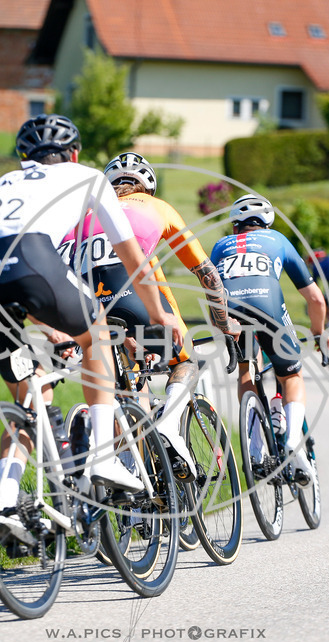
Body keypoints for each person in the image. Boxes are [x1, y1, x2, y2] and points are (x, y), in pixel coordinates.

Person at [0, 115, 182, 544]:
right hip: (30, 259)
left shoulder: (4, 182)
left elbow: (1, 260)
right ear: (74, 153)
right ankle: (103, 457)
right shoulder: (89, 176)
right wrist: (159, 314)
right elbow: (131, 256)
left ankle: (6, 501)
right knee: (97, 332)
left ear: (24, 156)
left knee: (29, 397)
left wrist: (51, 329)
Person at [61, 151, 237, 481]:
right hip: (131, 295)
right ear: (147, 187)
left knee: (124, 384)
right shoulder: (156, 206)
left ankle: (132, 475)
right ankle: (168, 426)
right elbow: (207, 273)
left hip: (86, 305)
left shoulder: (83, 216)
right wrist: (224, 322)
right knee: (184, 363)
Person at [210, 194, 326, 487]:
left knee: (246, 370)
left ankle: (254, 448)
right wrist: (318, 333)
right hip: (268, 306)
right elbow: (315, 299)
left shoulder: (220, 245)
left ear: (235, 226)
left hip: (230, 311)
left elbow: (211, 289)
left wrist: (222, 326)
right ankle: (293, 441)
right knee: (291, 375)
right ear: (267, 223)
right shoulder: (277, 239)